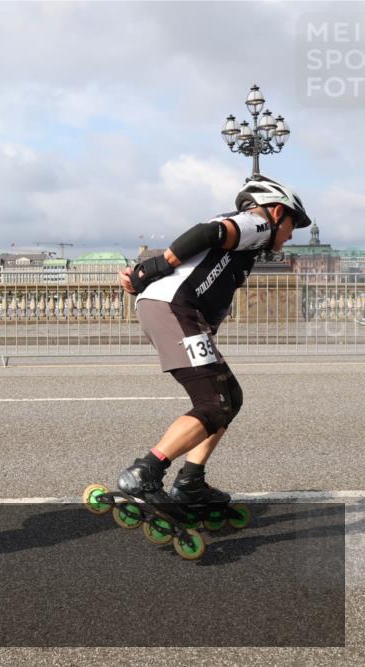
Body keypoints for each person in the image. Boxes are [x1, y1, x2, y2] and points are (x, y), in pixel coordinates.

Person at [115, 175, 311, 515]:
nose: (291, 235)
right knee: (213, 402)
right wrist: (152, 268)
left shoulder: (250, 239)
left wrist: (143, 278)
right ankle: (145, 472)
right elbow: (208, 233)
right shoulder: (258, 224)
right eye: (292, 224)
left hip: (175, 310)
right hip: (176, 311)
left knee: (229, 398)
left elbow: (197, 256)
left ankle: (190, 481)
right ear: (277, 211)